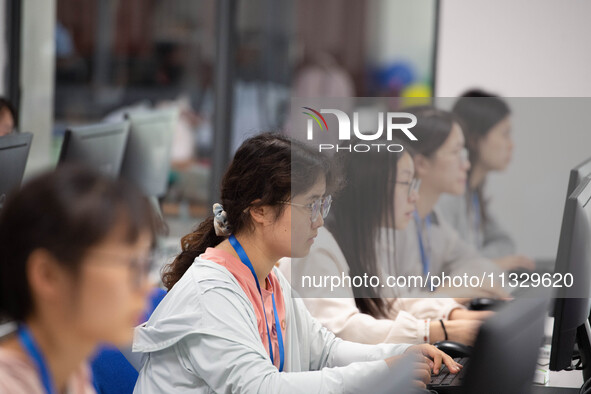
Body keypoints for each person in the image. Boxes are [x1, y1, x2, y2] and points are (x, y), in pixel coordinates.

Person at [133, 133, 460, 393]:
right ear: (259, 210)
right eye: (310, 205)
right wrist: (383, 371)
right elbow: (262, 388)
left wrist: (400, 357)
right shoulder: (211, 294)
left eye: (323, 204)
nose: (319, 220)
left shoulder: (268, 279)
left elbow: (325, 351)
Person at [284, 137, 488, 347]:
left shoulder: (357, 241)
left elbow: (391, 301)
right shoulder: (317, 245)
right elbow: (341, 330)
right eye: (406, 184)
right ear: (371, 185)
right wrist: (438, 330)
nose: (414, 197)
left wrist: (452, 314)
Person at [0, 165, 160, 393]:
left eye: (146, 265)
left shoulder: (72, 372)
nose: (147, 287)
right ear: (48, 275)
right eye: (131, 265)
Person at [390, 106, 505, 298]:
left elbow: (480, 265)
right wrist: (448, 293)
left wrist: (455, 286)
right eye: (455, 152)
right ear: (421, 164)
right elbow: (389, 307)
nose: (466, 164)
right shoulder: (392, 224)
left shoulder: (432, 217)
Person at [437, 90, 534, 271]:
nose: (511, 144)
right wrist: (486, 264)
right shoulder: (448, 196)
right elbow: (443, 268)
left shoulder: (473, 192)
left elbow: (505, 242)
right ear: (474, 139)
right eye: (504, 134)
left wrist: (478, 263)